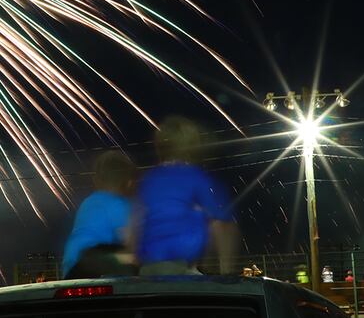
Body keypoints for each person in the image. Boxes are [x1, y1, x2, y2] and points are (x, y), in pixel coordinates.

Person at [135, 118, 237, 275]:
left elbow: (134, 225)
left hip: (148, 268)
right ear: (192, 147)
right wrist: (227, 270)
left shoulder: (149, 179)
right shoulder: (196, 177)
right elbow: (222, 225)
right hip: (182, 269)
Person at [62, 150, 138, 278]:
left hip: (71, 267)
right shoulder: (121, 205)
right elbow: (132, 241)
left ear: (96, 180)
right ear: (128, 182)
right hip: (95, 264)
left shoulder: (88, 202)